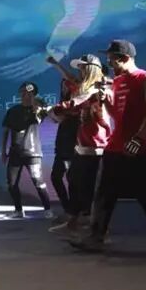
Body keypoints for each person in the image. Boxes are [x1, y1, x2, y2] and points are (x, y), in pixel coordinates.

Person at [70, 40, 146, 253]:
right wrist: (106, 101)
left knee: (145, 191)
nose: (110, 63)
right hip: (115, 144)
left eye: (112, 59)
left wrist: (139, 138)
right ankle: (97, 236)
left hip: (138, 143)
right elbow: (117, 116)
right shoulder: (117, 82)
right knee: (104, 191)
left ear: (125, 58)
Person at [47, 55, 111, 236]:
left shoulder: (97, 89)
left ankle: (98, 231)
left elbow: (74, 103)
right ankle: (74, 221)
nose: (80, 72)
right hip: (82, 146)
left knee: (90, 189)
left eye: (83, 68)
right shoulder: (86, 88)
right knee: (74, 181)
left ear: (90, 69)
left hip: (96, 147)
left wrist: (54, 109)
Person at [1, 82, 52, 219]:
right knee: (11, 183)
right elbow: (5, 132)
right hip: (15, 152)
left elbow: (40, 118)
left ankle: (47, 209)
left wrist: (36, 104)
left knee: (38, 181)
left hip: (32, 152)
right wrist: (3, 151)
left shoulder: (38, 109)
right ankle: (18, 210)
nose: (25, 95)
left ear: (34, 94)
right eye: (22, 92)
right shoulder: (13, 111)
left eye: (29, 92)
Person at [46, 57, 81, 223]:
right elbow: (57, 119)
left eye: (67, 84)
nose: (64, 85)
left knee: (72, 178)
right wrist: (49, 112)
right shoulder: (63, 104)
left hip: (72, 143)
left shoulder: (77, 101)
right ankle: (69, 209)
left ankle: (75, 213)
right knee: (56, 177)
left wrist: (56, 64)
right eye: (62, 84)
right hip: (61, 143)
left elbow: (71, 78)